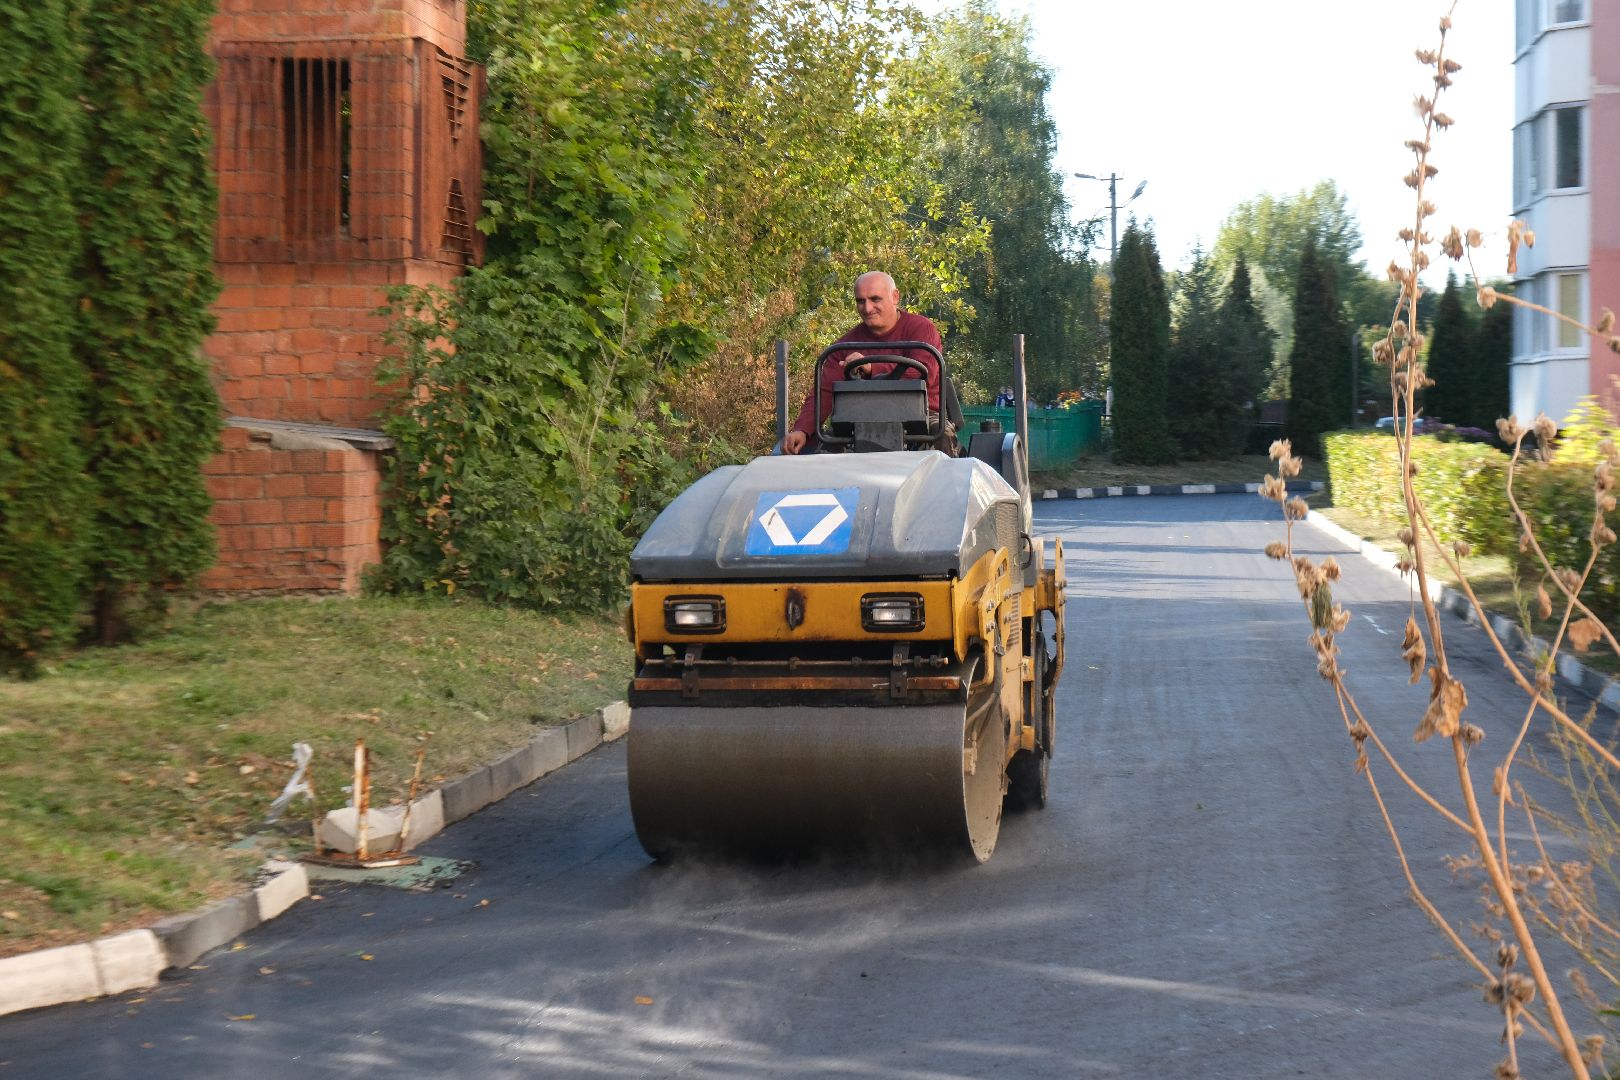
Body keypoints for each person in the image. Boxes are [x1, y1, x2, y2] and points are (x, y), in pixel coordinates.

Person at [781, 271, 945, 454]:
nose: (867, 309)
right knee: (824, 449)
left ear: (895, 297)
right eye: (861, 301)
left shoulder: (922, 329)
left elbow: (923, 374)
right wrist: (802, 430)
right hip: (859, 417)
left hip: (922, 415)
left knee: (942, 438)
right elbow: (824, 392)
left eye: (875, 299)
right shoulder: (843, 346)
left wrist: (871, 368)